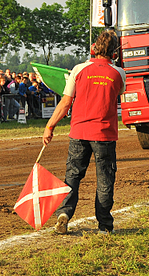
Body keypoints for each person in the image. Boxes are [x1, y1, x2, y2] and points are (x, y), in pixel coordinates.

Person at [43, 30, 126, 235]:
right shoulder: (119, 73)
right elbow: (120, 92)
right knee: (105, 179)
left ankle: (64, 214)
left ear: (93, 48)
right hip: (104, 135)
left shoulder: (78, 69)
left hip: (79, 132)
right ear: (114, 53)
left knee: (72, 175)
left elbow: (65, 103)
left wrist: (50, 126)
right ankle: (105, 225)